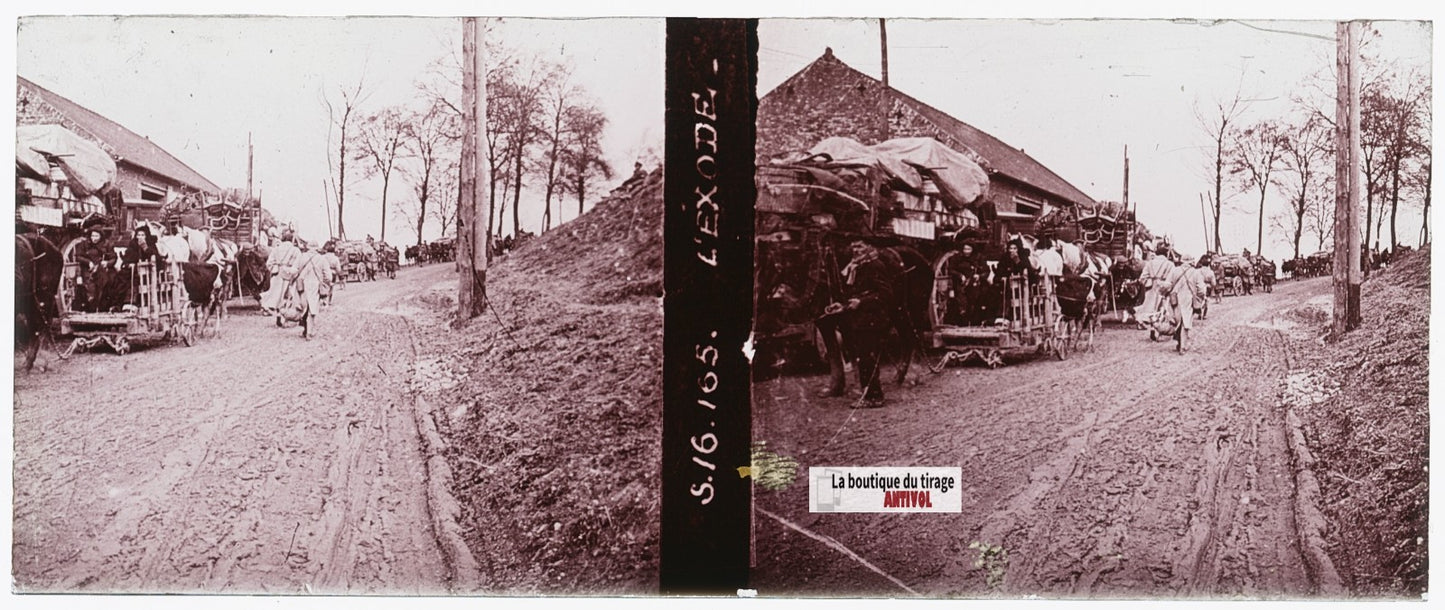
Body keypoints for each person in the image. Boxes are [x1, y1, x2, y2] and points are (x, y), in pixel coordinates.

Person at [819, 240, 895, 408]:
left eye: (860, 246)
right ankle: (870, 395)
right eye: (853, 247)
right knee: (864, 359)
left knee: (868, 359)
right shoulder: (855, 267)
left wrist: (861, 302)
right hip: (860, 320)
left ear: (870, 247)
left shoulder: (875, 265)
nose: (856, 250)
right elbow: (854, 294)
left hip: (872, 319)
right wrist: (842, 306)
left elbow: (886, 294)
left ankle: (874, 397)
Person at [1160, 255, 1208, 353]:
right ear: (1191, 261)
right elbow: (1201, 289)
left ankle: (1179, 342)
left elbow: (1167, 284)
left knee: (1177, 321)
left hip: (1174, 298)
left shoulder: (1175, 270)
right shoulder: (1196, 272)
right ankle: (1183, 346)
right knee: (1185, 322)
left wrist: (1163, 293)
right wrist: (1200, 297)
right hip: (1188, 299)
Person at [260, 231, 301, 315]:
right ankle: (281, 309)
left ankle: (268, 307)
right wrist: (292, 272)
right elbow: (298, 265)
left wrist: (274, 268)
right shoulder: (295, 250)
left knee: (274, 291)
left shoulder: (276, 249)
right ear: (292, 239)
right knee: (287, 292)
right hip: (288, 274)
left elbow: (269, 263)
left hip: (277, 272)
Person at [73, 229, 114, 312]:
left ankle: (103, 310)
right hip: (88, 270)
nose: (94, 238)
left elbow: (113, 258)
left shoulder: (107, 244)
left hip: (101, 270)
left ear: (101, 236)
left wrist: (107, 263)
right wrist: (88, 262)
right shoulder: (85, 244)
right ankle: (90, 310)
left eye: (96, 236)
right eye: (92, 236)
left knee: (104, 286)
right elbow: (78, 256)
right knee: (90, 290)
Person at [947, 243, 987, 324]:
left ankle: (975, 322)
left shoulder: (979, 258)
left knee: (975, 302)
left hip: (974, 283)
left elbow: (986, 271)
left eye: (969, 249)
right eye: (965, 249)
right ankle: (963, 321)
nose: (966, 251)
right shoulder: (957, 258)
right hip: (960, 284)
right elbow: (951, 269)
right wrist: (960, 275)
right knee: (962, 302)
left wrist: (979, 276)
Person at [1137, 245, 1174, 330]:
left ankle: (1142, 321)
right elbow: (1172, 278)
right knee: (1163, 307)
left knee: (1149, 306)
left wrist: (1147, 283)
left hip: (1152, 287)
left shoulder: (1150, 263)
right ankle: (1159, 326)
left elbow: (1142, 277)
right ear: (1166, 254)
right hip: (1164, 287)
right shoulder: (1170, 264)